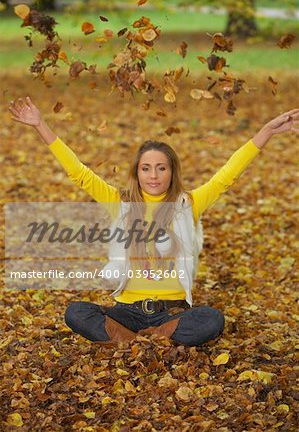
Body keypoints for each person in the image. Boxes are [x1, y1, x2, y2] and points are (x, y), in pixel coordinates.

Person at [9, 97, 299, 346]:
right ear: (137, 173)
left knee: (212, 319)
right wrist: (40, 126)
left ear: (172, 172)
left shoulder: (188, 204)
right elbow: (79, 173)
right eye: (146, 169)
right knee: (76, 312)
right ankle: (149, 341)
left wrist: (265, 133)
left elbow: (226, 176)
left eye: (161, 168)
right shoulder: (121, 204)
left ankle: (136, 341)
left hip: (171, 313)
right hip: (126, 312)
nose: (154, 175)